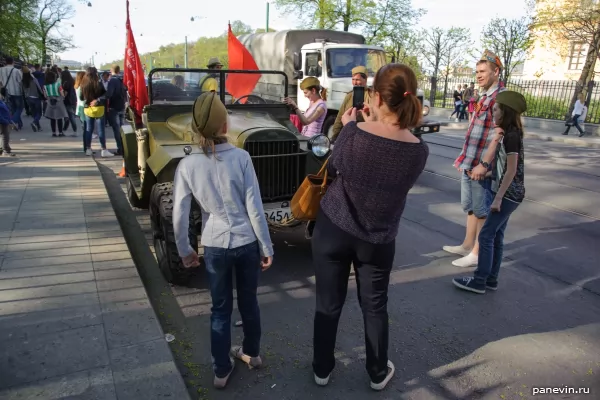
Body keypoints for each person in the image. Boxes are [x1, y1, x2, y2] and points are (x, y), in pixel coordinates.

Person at [311, 64, 429, 391]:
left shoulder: (354, 133)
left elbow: (335, 168)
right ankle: (377, 371)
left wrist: (353, 124)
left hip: (334, 229)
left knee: (328, 303)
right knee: (375, 306)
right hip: (378, 239)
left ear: (375, 96)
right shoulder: (419, 150)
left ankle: (322, 369)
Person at [172, 92, 273, 389]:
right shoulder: (242, 158)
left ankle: (221, 369)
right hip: (245, 242)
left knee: (219, 308)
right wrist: (266, 246)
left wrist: (185, 249)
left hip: (215, 243)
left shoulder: (187, 165)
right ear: (225, 125)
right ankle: (251, 353)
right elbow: (254, 208)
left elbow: (179, 212)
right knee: (249, 302)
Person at [453, 91, 527, 293]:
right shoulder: (508, 134)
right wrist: (487, 175)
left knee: (485, 236)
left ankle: (479, 281)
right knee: (497, 236)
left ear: (505, 112)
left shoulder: (511, 136)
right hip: (512, 193)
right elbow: (502, 167)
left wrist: (498, 198)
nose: (492, 113)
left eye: (495, 109)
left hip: (508, 195)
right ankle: (491, 279)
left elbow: (511, 170)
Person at [442, 49, 506, 268]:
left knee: (481, 210)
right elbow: (475, 129)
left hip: (482, 165)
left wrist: (485, 164)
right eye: (477, 72)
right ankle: (468, 244)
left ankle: (477, 253)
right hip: (471, 161)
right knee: (470, 206)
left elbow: (498, 135)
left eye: (483, 71)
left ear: (496, 71)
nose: (478, 76)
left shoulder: (500, 97)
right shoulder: (484, 95)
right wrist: (464, 159)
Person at [331, 66, 372, 142]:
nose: (355, 82)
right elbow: (340, 116)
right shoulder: (349, 96)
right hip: (348, 135)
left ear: (365, 79)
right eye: (353, 79)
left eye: (358, 80)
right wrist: (335, 135)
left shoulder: (372, 95)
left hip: (364, 136)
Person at [79, 67, 114, 157]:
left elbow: (81, 98)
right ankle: (103, 149)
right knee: (101, 130)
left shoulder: (83, 84)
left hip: (88, 108)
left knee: (88, 130)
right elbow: (105, 94)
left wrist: (89, 99)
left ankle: (88, 149)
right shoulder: (98, 83)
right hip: (99, 108)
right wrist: (97, 100)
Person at [106, 65, 126, 155]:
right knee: (122, 129)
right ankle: (125, 147)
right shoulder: (122, 79)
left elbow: (109, 94)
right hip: (121, 105)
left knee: (116, 129)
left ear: (111, 70)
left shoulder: (112, 80)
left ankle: (120, 148)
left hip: (114, 107)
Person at [0, 57, 24, 130]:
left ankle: (19, 124)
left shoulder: (0, 70)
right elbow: (20, 81)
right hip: (16, 91)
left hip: (6, 92)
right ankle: (13, 121)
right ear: (13, 62)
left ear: (5, 62)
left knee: (13, 108)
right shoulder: (16, 71)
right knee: (19, 108)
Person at [43, 69, 68, 137]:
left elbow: (45, 95)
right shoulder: (58, 84)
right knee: (59, 117)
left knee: (52, 118)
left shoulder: (45, 86)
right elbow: (61, 93)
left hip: (50, 102)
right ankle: (60, 132)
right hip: (58, 101)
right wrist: (63, 96)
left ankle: (53, 132)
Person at [21, 66, 44, 132]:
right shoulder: (33, 79)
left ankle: (38, 127)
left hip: (28, 98)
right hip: (36, 97)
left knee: (34, 113)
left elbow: (22, 90)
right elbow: (39, 88)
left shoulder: (23, 81)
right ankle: (34, 122)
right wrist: (42, 94)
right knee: (39, 113)